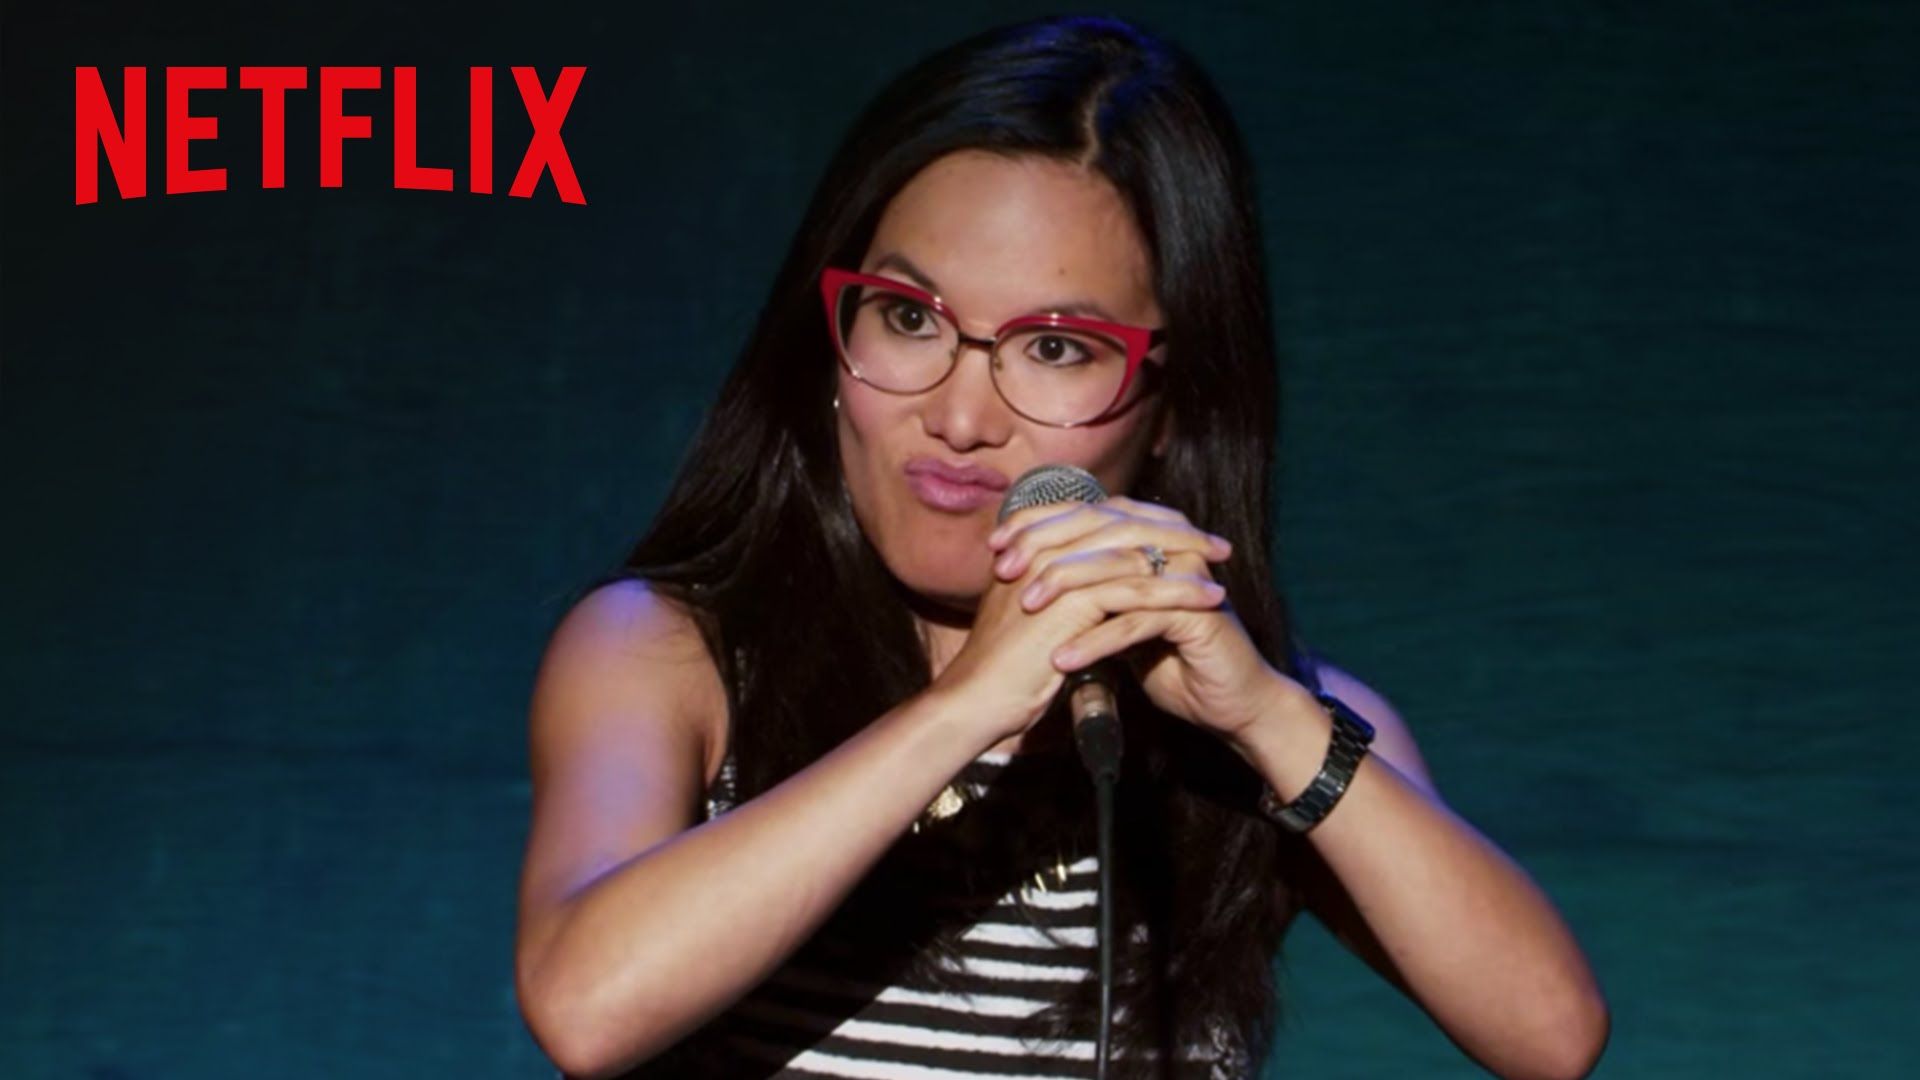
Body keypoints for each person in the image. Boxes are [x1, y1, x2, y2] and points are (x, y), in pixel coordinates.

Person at [513, 14, 1608, 1080]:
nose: (959, 417)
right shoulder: (673, 653)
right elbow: (586, 1009)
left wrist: (1265, 718)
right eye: (908, 318)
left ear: (1176, 401)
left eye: (1054, 347)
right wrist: (966, 707)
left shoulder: (1274, 724)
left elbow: (1551, 1037)